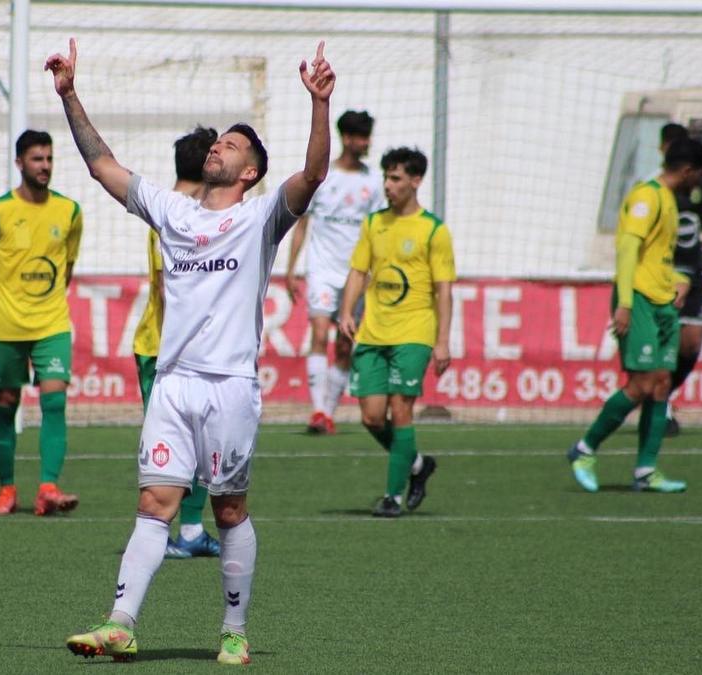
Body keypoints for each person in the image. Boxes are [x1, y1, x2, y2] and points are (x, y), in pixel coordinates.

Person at [46, 37, 334, 664]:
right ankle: (121, 623)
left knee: (229, 509)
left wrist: (319, 105)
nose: (217, 147)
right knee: (155, 504)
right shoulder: (174, 212)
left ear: (250, 170)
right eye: (216, 142)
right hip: (174, 383)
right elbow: (103, 167)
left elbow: (313, 175)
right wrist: (70, 96)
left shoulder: (261, 219)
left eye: (232, 145)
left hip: (229, 386)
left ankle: (234, 629)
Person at [566, 138, 702, 493]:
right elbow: (629, 248)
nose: (701, 182)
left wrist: (677, 281)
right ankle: (584, 449)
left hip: (662, 299)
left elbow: (659, 254)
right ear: (689, 170)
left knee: (662, 383)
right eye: (701, 173)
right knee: (642, 384)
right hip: (641, 299)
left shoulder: (670, 201)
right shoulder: (647, 196)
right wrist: (626, 303)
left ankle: (646, 470)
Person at [0, 129, 83, 517]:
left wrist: (43, 304)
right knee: (5, 403)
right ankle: (6, 491)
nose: (45, 166)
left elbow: (66, 269)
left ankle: (48, 487)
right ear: (19, 163)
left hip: (51, 322)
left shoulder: (69, 212)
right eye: (37, 159)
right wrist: (0, 302)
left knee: (55, 399)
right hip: (4, 325)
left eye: (49, 158)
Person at [337, 147, 453, 519]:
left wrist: (443, 341)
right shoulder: (374, 224)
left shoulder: (434, 230)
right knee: (371, 417)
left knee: (401, 410)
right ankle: (418, 464)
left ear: (416, 182)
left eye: (396, 178)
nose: (387, 185)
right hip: (373, 332)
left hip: (414, 332)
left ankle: (391, 496)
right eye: (386, 177)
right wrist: (345, 312)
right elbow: (359, 271)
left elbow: (444, 289)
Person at [132, 125, 224, 560]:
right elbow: (173, 288)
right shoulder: (178, 215)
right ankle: (176, 531)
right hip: (168, 349)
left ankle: (187, 531)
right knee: (181, 445)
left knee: (198, 445)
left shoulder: (176, 210)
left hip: (169, 346)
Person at [285, 109, 386, 435]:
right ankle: (317, 412)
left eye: (367, 136)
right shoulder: (324, 177)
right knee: (318, 333)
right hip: (321, 270)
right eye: (361, 136)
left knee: (344, 343)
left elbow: (377, 231)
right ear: (346, 138)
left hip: (356, 274)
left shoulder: (372, 181)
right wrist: (290, 269)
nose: (366, 142)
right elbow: (303, 224)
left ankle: (328, 411)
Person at [656, 124, 702, 437]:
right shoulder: (653, 186)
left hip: (694, 274)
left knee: (691, 343)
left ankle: (663, 395)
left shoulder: (700, 183)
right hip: (664, 274)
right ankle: (660, 406)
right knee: (665, 344)